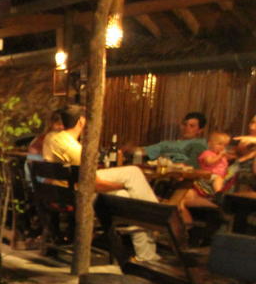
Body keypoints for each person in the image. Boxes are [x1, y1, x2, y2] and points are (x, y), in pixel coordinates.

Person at [43, 104, 160, 261]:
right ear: (81, 122)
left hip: (60, 192)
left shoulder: (51, 138)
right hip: (78, 195)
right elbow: (93, 185)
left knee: (128, 192)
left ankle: (147, 254)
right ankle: (156, 219)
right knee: (132, 177)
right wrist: (123, 185)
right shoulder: (76, 150)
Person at [179, 131, 232, 225]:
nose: (222, 147)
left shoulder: (222, 156)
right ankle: (219, 195)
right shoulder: (207, 153)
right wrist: (220, 156)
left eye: (225, 145)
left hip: (217, 179)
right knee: (217, 179)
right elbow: (209, 162)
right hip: (208, 177)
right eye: (219, 144)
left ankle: (219, 196)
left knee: (219, 180)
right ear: (210, 144)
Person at [141, 111, 207, 167]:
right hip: (159, 171)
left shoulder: (199, 144)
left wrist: (171, 166)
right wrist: (131, 149)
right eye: (184, 124)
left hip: (180, 175)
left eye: (192, 126)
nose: (186, 128)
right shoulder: (166, 143)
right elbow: (141, 152)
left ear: (200, 130)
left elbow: (193, 164)